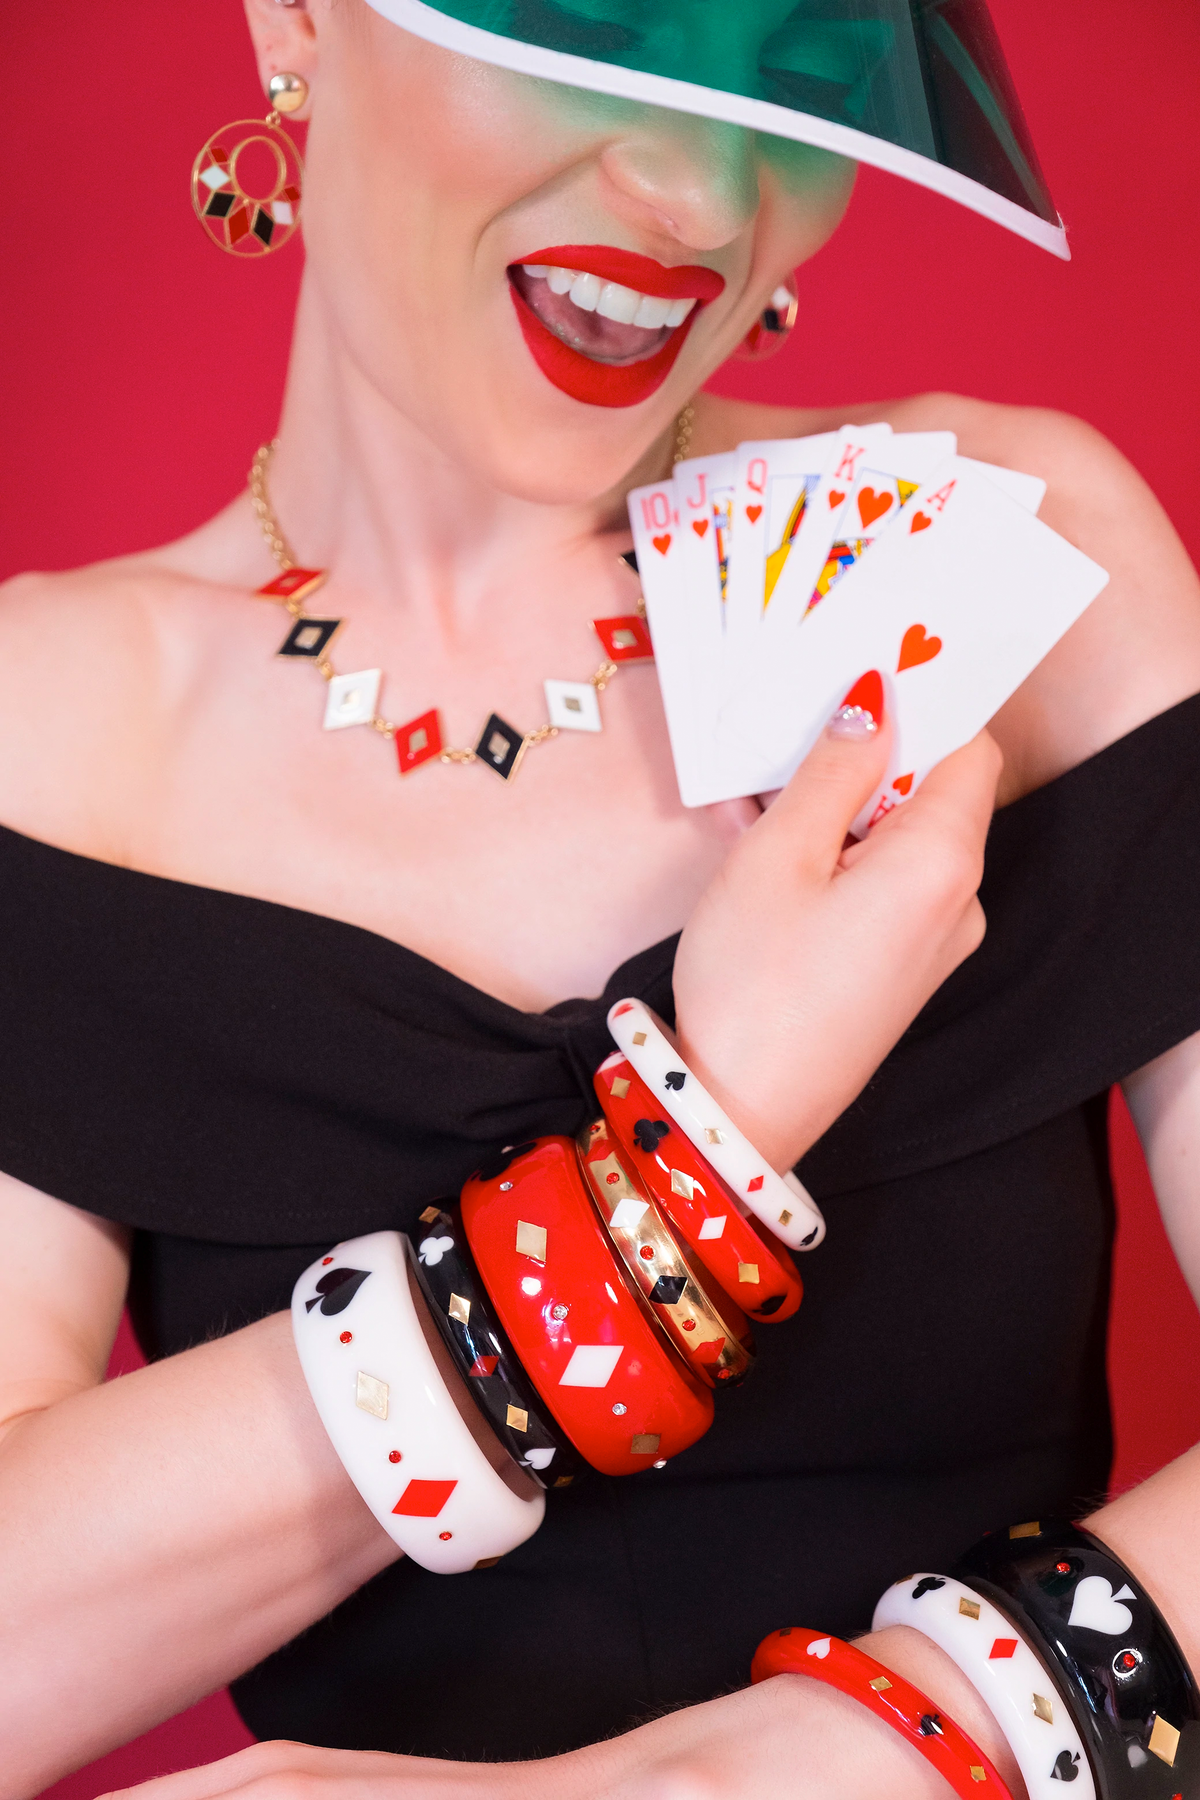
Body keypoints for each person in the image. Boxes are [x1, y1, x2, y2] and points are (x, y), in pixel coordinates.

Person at [1, 2, 1199, 1797]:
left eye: (797, 66)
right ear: (295, 17)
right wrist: (697, 1141)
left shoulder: (1019, 564)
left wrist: (723, 1782)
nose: (703, 192)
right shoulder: (49, 735)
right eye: (590, 22)